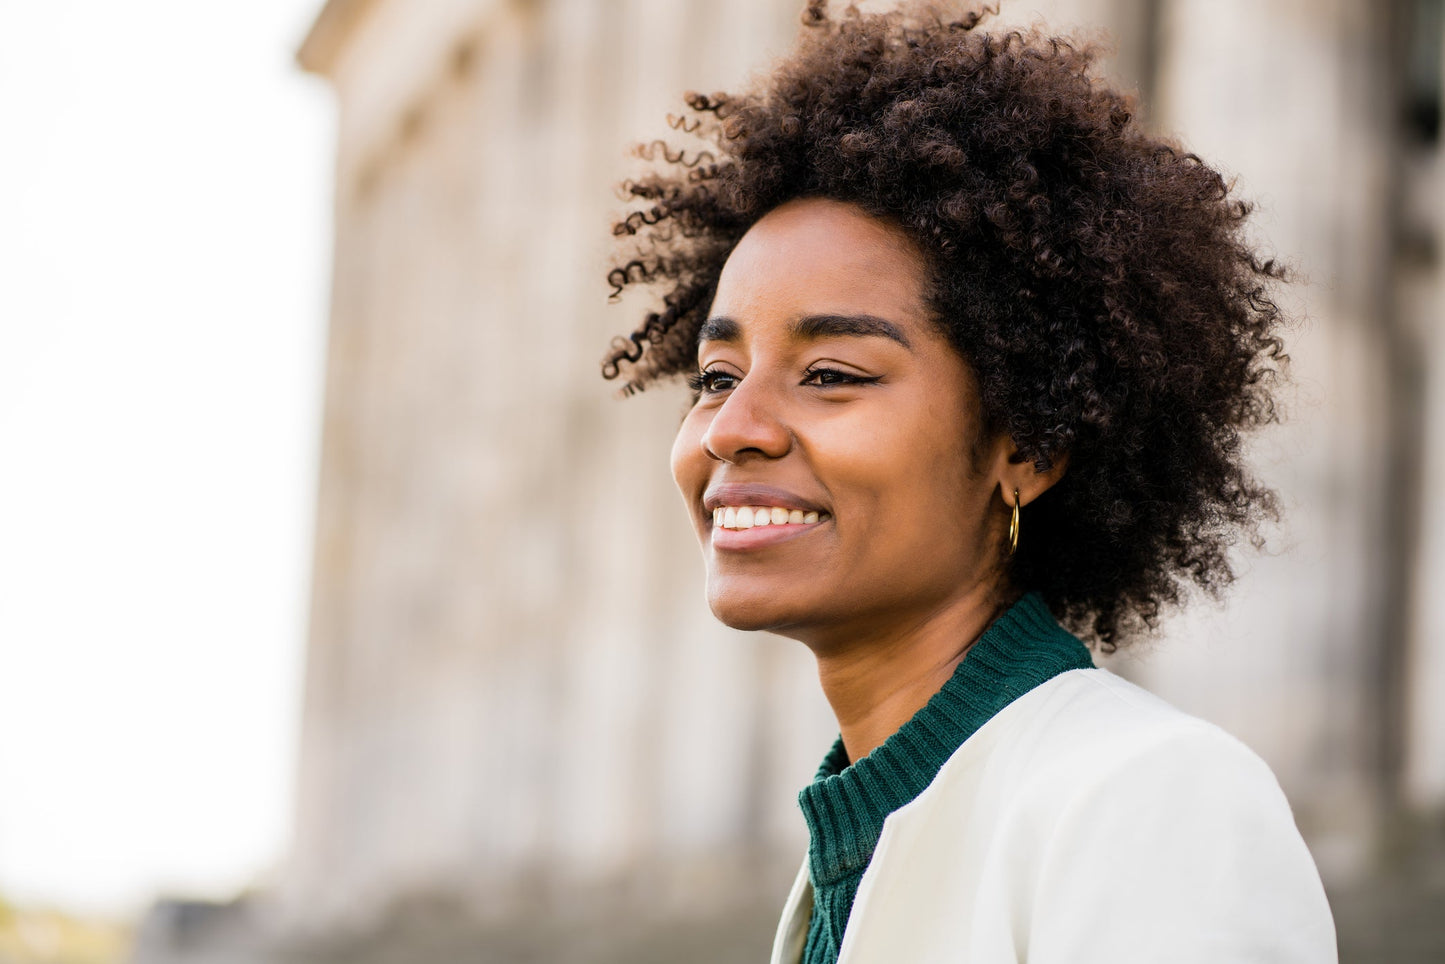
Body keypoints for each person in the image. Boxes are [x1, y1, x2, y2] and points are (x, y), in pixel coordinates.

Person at [602, 2, 1337, 961]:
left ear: (1025, 447)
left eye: (831, 375)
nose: (732, 429)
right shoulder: (854, 849)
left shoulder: (1149, 801)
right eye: (716, 378)